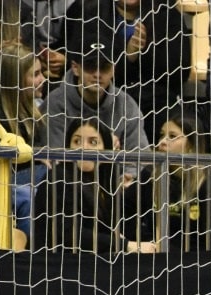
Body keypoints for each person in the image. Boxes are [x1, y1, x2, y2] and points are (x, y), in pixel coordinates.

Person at [31, 118, 155, 253]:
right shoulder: (58, 177)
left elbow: (121, 225)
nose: (83, 148)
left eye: (93, 142)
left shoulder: (105, 181)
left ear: (106, 147)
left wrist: (149, 242)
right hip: (57, 263)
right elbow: (68, 233)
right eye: (77, 141)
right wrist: (124, 245)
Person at [62, 0, 188, 133]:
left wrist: (144, 53)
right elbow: (81, 65)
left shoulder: (167, 14)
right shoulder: (88, 11)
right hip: (100, 101)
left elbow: (178, 72)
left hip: (155, 105)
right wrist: (127, 57)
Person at [41, 22, 147, 179]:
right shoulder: (55, 104)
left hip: (116, 191)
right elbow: (54, 162)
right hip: (67, 188)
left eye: (104, 67)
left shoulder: (126, 105)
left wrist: (126, 179)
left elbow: (141, 161)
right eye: (91, 66)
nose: (97, 74)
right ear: (76, 68)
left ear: (113, 69)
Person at [0, 41, 48, 239]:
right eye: (35, 74)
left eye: (41, 72)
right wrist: (37, 162)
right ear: (15, 80)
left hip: (29, 178)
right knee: (49, 177)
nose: (42, 79)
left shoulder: (33, 111)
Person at [140, 114, 211, 253]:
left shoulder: (209, 181)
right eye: (162, 135)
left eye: (172, 136)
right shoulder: (150, 174)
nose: (162, 141)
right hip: (153, 260)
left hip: (193, 263)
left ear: (191, 144)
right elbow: (123, 214)